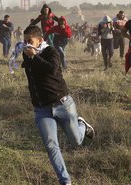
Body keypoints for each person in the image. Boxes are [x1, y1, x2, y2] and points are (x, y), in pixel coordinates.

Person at [21, 25, 95, 185]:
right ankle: (65, 181)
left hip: (63, 105)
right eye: (24, 41)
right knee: (51, 145)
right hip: (42, 110)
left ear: (39, 40)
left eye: (30, 40)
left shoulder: (51, 52)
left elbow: (52, 70)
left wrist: (35, 57)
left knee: (76, 141)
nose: (27, 44)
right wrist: (29, 57)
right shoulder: (27, 54)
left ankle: (82, 124)